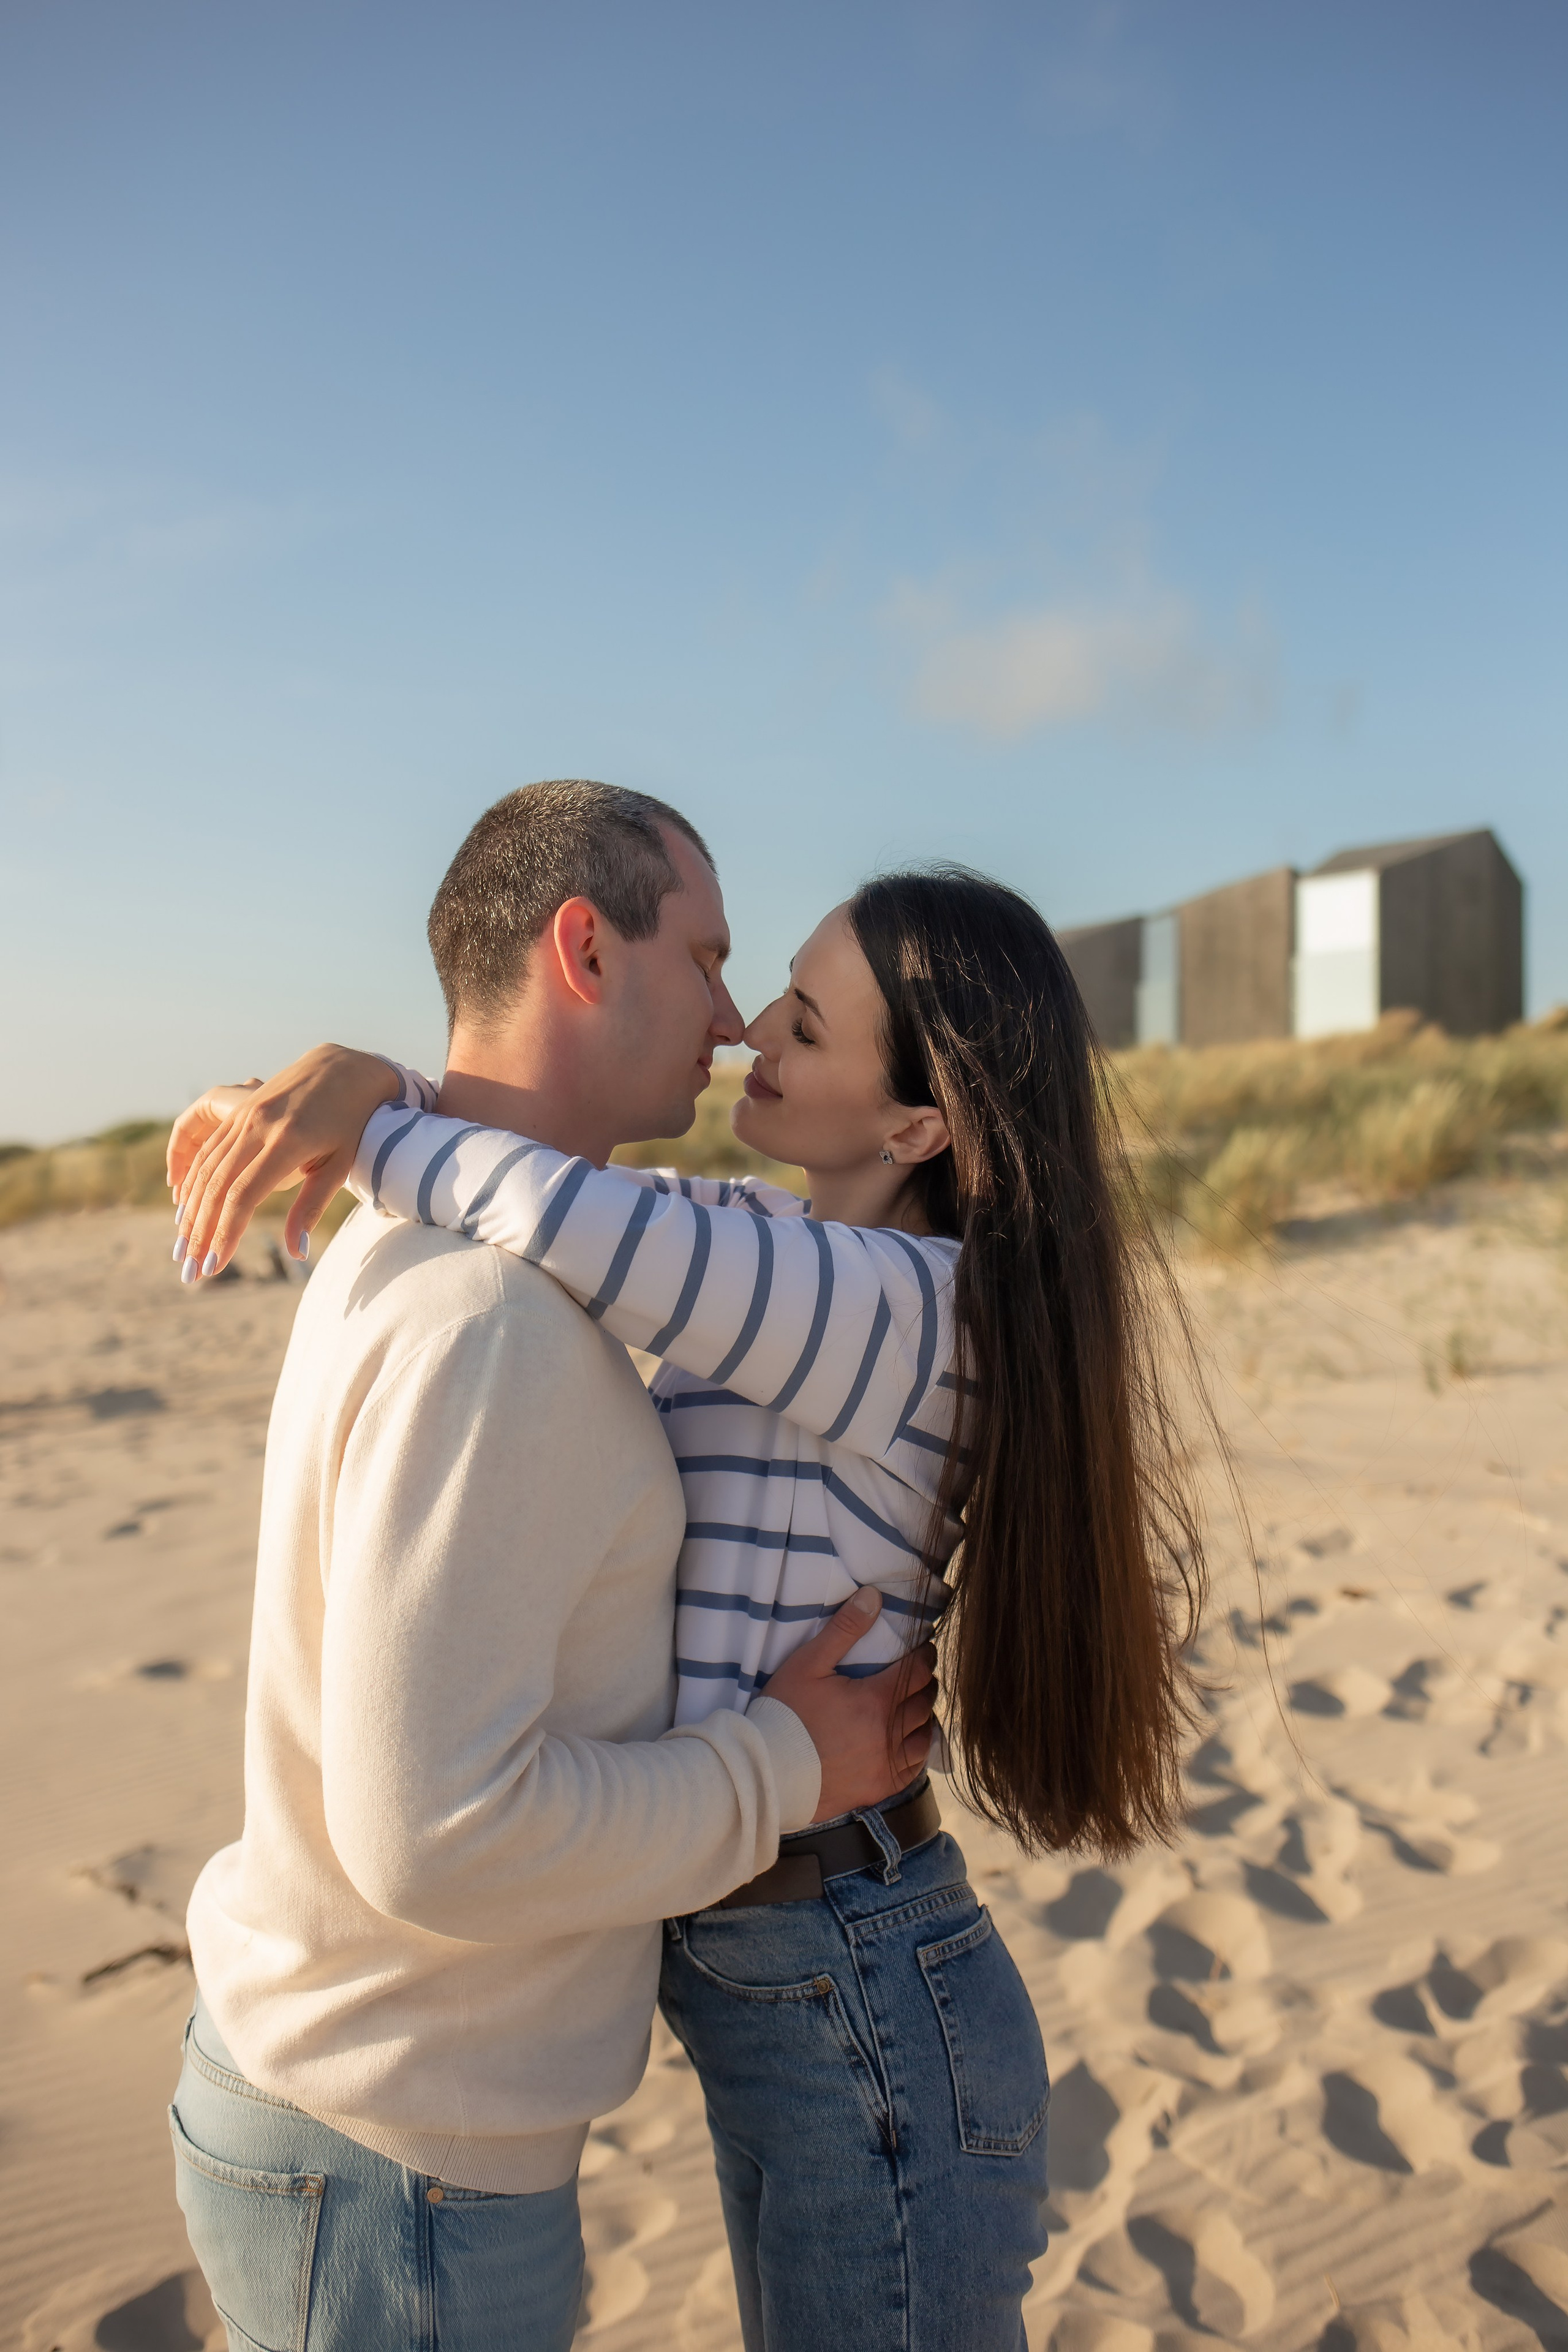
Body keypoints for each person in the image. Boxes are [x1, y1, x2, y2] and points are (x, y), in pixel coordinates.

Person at [173, 795, 1207, 2352]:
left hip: (843, 1964)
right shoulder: (735, 1263)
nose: (744, 1031)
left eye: (798, 1017)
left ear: (919, 1125)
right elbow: (573, 1203)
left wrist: (373, 1104)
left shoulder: (888, 1308)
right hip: (746, 1980)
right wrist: (379, 1086)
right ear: (584, 948)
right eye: (743, 977)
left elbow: (542, 1196)